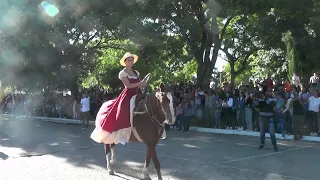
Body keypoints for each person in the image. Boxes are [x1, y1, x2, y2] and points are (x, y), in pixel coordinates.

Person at [90, 52, 148, 145]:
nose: (131, 61)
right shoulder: (122, 73)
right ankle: (123, 135)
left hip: (138, 93)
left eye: (132, 60)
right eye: (129, 60)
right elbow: (128, 86)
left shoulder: (136, 72)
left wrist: (143, 85)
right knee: (124, 109)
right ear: (125, 62)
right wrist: (140, 83)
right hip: (128, 95)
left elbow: (140, 85)